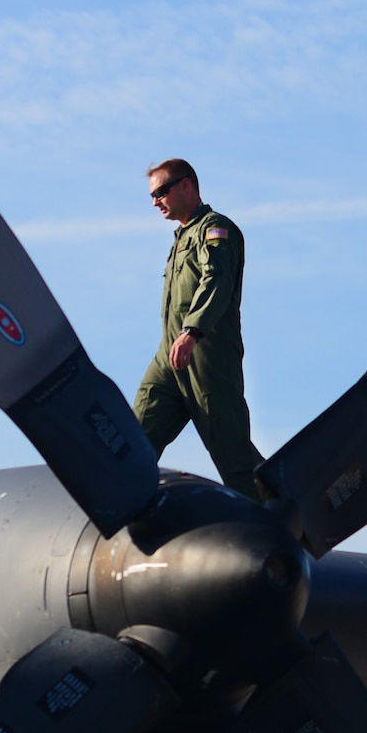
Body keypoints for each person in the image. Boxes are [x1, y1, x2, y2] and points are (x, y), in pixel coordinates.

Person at [131, 158, 266, 498]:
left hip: (207, 354)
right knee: (133, 441)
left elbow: (216, 280)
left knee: (232, 454)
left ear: (187, 185)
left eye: (161, 191)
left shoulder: (215, 229)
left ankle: (281, 515)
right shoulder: (180, 240)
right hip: (170, 355)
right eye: (152, 195)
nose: (155, 201)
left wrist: (192, 332)